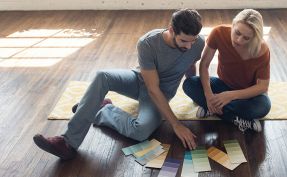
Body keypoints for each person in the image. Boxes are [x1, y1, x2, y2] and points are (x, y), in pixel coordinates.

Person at [33, 9, 204, 160]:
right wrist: (176, 124)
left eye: (193, 41)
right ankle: (68, 142)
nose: (189, 46)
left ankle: (102, 109)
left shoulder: (198, 43)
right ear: (172, 30)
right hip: (142, 81)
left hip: (162, 92)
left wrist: (193, 87)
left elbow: (190, 63)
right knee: (102, 76)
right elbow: (152, 88)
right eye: (183, 41)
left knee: (140, 131)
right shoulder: (148, 43)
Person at [183, 9, 271, 132]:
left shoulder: (262, 50)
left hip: (247, 94)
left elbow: (262, 87)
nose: (239, 40)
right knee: (189, 84)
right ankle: (236, 119)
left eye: (246, 38)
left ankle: (211, 109)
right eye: (237, 33)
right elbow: (204, 65)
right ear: (233, 25)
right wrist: (208, 96)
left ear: (255, 37)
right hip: (223, 86)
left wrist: (230, 96)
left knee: (263, 106)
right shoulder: (218, 32)